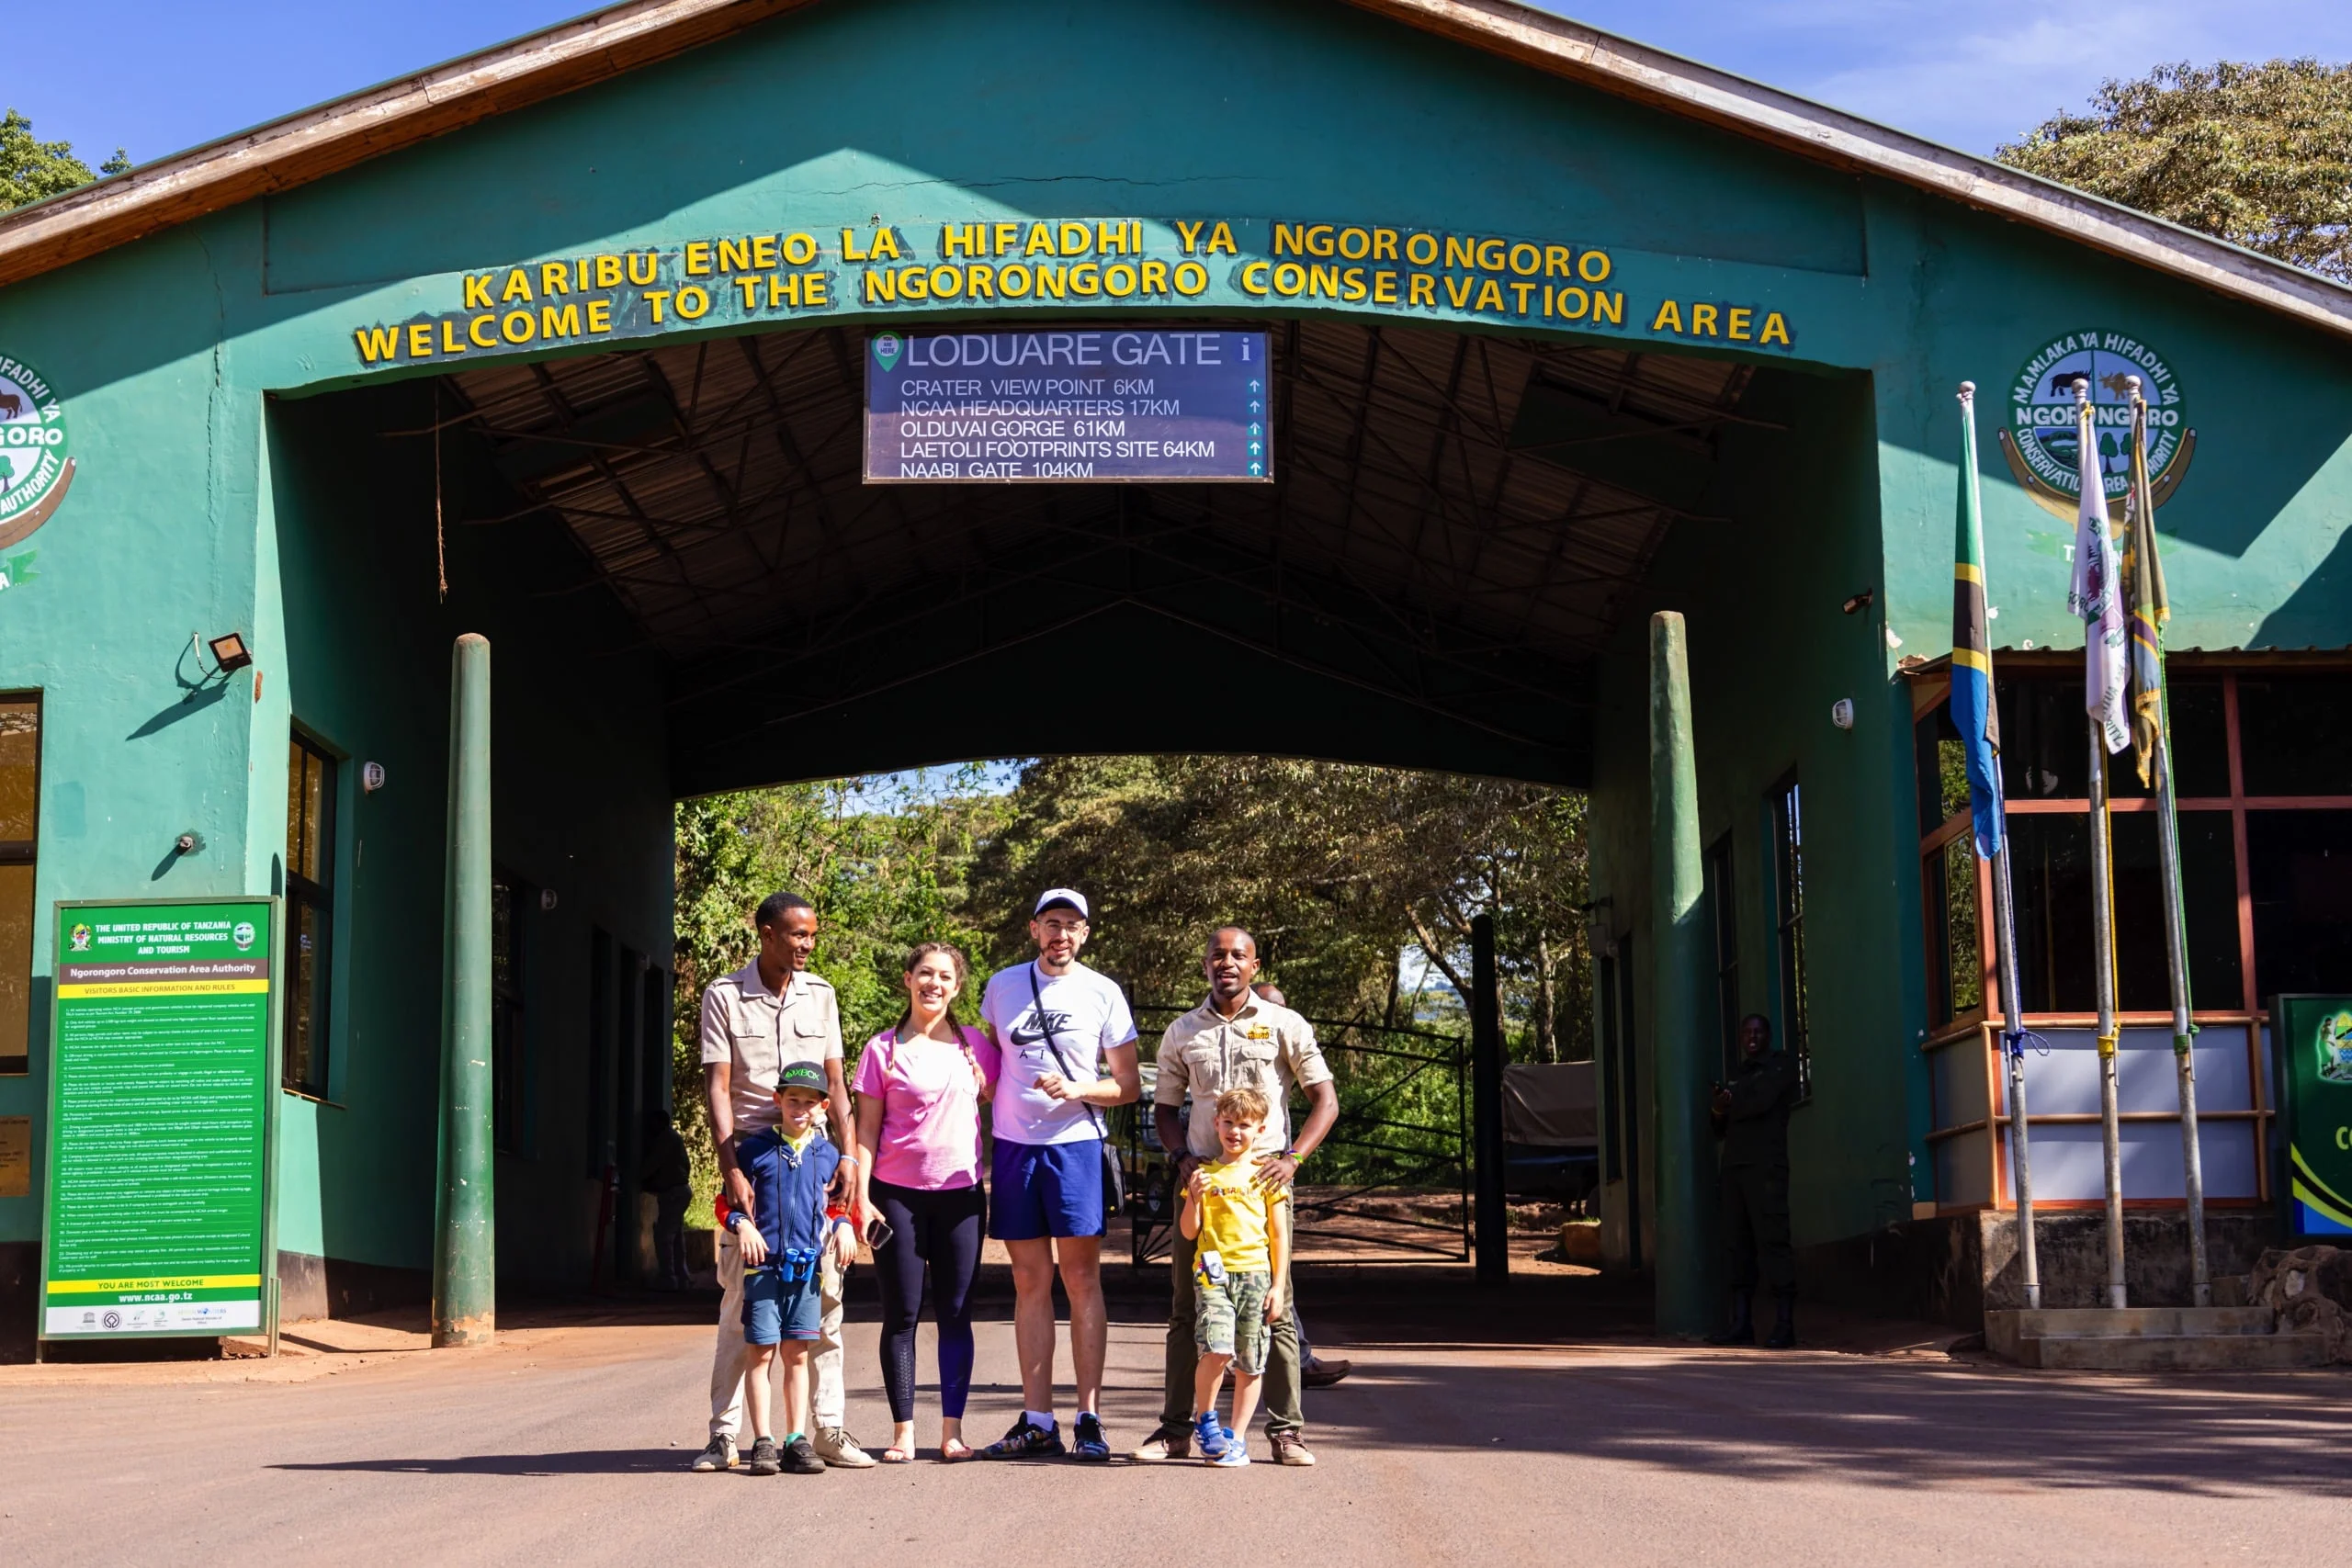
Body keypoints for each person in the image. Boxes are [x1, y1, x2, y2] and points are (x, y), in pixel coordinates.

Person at [1131, 929, 1337, 1467]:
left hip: (1263, 1190)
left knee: (1278, 1310)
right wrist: (1181, 1160)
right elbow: (1164, 1109)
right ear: (1206, 966)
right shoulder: (1183, 1031)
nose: (1227, 963)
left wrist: (1292, 1159)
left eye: (1238, 956)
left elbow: (1325, 1100)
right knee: (1185, 1311)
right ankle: (1175, 1431)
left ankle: (1286, 1433)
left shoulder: (1285, 1025)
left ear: (1254, 965)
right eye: (1218, 955)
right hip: (1203, 1190)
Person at [691, 891, 875, 1473]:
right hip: (753, 1165)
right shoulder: (724, 996)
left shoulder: (821, 995)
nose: (807, 945)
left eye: (812, 936)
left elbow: (837, 1084)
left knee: (825, 1310)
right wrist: (730, 1169)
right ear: (766, 933)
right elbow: (718, 1087)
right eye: (797, 935)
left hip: (814, 1164)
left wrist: (847, 1156)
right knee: (739, 1315)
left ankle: (824, 1432)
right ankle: (724, 1437)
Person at [976, 887, 1142, 1461]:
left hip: (1075, 1147)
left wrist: (1078, 1089)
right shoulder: (1001, 986)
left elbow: (1128, 1084)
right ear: (1034, 928)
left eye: (1072, 926)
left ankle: (1089, 1418)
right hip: (1016, 1148)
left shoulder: (1103, 992)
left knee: (1081, 1281)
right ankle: (1037, 1417)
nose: (1061, 935)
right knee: (1029, 1282)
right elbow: (987, 1063)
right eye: (1052, 923)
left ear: (1085, 934)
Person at [853, 942, 997, 1463]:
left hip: (960, 1199)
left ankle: (952, 1432)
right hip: (896, 1199)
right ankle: (904, 1431)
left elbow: (1011, 1103)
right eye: (925, 974)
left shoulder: (978, 1048)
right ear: (908, 980)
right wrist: (861, 1200)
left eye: (945, 977)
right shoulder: (882, 1050)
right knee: (902, 1315)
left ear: (957, 988)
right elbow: (865, 1131)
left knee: (957, 1313)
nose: (934, 983)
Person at [724, 1062, 861, 1476]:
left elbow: (832, 1205)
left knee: (797, 1356)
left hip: (806, 1274)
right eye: (792, 1099)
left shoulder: (828, 1154)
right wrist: (741, 1223)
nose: (799, 1108)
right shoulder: (754, 1149)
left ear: (822, 1107)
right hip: (763, 1271)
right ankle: (762, 1440)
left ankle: (794, 1439)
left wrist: (844, 1226)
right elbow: (726, 1202)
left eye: (809, 1102)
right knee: (761, 1354)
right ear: (777, 1100)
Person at [1180, 1087, 1291, 1470]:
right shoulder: (1203, 1175)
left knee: (1251, 1360)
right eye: (1228, 1123)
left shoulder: (1266, 1177)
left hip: (1256, 1276)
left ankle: (1236, 1438)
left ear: (1260, 1129)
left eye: (1244, 1125)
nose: (1235, 1132)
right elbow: (1189, 1232)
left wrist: (1278, 1286)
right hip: (1213, 1276)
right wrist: (1193, 1196)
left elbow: (1279, 1235)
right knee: (1217, 1347)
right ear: (1216, 1124)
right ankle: (1206, 1420)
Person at [1250, 982, 1350, 1391]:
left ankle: (1297, 1360)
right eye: (1273, 1010)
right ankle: (1274, 1362)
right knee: (1248, 1274)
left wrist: (1294, 1159)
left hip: (1275, 1179)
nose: (1282, 1020)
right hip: (1234, 1181)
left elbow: (1325, 1101)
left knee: (1277, 1274)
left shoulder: (1287, 1054)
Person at [1706, 1012, 1802, 1349]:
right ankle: (1741, 1323)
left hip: (1767, 1170)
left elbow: (1760, 1103)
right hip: (1734, 1170)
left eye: (1758, 1032)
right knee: (1737, 1246)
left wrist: (1730, 1104)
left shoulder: (1780, 1066)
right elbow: (1718, 1128)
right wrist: (1719, 1109)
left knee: (1774, 1242)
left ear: (1768, 1036)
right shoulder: (1738, 1073)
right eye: (1746, 1031)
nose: (1751, 1037)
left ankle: (1785, 1324)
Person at [641, 1110, 694, 1291]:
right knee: (676, 1235)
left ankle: (668, 1278)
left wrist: (638, 1178)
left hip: (673, 1191)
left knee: (664, 1236)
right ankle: (682, 1276)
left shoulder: (666, 1138)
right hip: (679, 1190)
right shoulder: (673, 1138)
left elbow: (653, 1163)